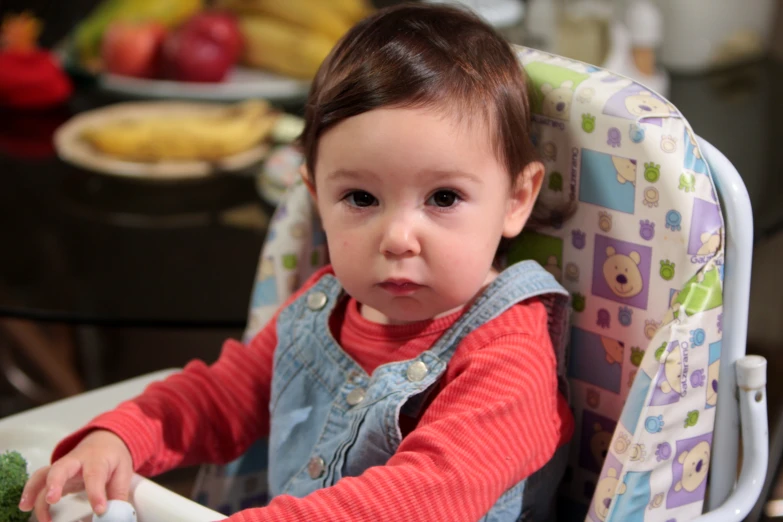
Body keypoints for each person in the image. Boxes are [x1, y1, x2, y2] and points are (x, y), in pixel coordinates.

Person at [20, 3, 575, 521]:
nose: (399, 238)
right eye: (361, 198)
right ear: (316, 196)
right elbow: (220, 397)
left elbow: (429, 490)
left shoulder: (510, 355)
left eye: (444, 198)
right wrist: (118, 437)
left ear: (516, 200)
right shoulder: (322, 305)